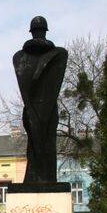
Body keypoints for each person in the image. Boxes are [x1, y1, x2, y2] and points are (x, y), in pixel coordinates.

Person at [13, 16, 68, 183]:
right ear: (45, 31)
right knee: (46, 144)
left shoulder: (18, 57)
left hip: (30, 110)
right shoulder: (60, 54)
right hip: (49, 109)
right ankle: (46, 179)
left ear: (31, 32)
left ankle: (36, 178)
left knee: (35, 145)